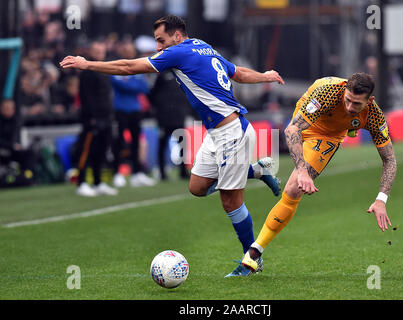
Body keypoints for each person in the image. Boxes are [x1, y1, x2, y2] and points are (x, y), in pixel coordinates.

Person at [60, 14, 284, 277]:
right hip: (217, 133)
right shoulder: (202, 45)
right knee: (197, 187)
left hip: (233, 132)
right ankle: (258, 171)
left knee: (230, 201)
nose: (158, 47)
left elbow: (129, 67)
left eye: (160, 40)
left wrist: (88, 65)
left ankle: (251, 261)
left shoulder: (177, 52)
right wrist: (265, 75)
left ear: (177, 36)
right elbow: (238, 73)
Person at [240, 73, 398, 274]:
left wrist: (381, 199)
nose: (350, 107)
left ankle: (255, 251)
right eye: (348, 100)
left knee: (294, 190)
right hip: (304, 121)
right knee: (300, 176)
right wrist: (302, 170)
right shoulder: (329, 93)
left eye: (357, 104)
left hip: (327, 137)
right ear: (344, 92)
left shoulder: (374, 115)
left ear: (370, 101)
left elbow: (390, 160)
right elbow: (292, 130)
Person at [75, 40, 118, 197]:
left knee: (101, 151)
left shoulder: (103, 70)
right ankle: (81, 183)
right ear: (91, 52)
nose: (100, 53)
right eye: (97, 50)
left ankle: (98, 182)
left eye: (102, 50)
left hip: (106, 117)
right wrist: (91, 117)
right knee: (86, 151)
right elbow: (85, 96)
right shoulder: (87, 71)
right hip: (92, 119)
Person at [110, 41, 156, 188]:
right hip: (120, 109)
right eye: (127, 50)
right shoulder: (116, 66)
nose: (129, 53)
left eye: (131, 51)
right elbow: (118, 83)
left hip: (135, 109)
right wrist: (133, 83)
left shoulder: (137, 67)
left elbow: (144, 87)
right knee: (119, 142)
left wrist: (129, 83)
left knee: (136, 141)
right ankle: (117, 173)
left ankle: (137, 173)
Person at [149, 69, 190, 180]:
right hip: (164, 117)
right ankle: (162, 172)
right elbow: (152, 94)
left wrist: (184, 109)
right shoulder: (161, 75)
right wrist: (159, 110)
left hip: (179, 116)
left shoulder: (181, 73)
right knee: (162, 144)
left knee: (182, 144)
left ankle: (183, 171)